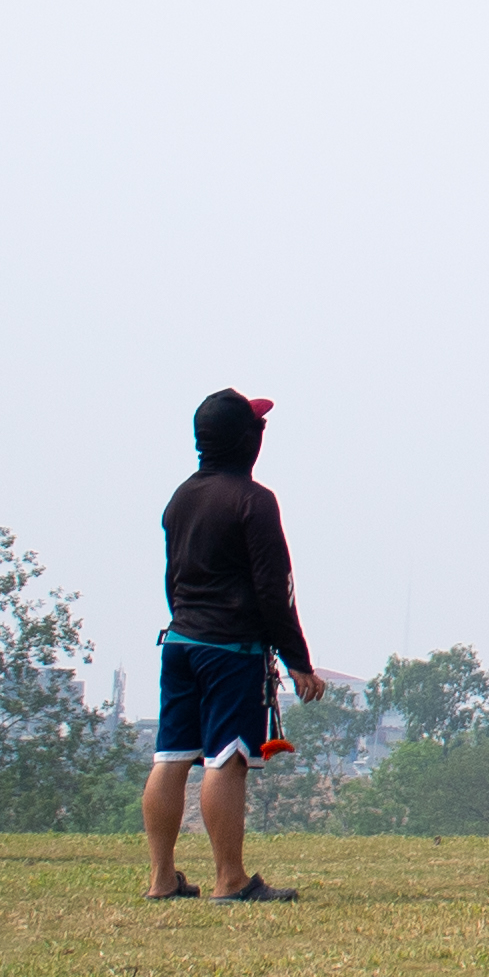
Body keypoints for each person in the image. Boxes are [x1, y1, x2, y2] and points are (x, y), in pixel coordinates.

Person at [143, 387, 330, 904]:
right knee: (227, 758)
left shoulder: (181, 497)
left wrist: (187, 620)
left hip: (179, 641)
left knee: (171, 756)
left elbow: (172, 576)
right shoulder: (254, 500)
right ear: (246, 440)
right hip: (229, 651)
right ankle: (230, 880)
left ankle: (162, 878)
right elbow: (275, 590)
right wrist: (298, 661)